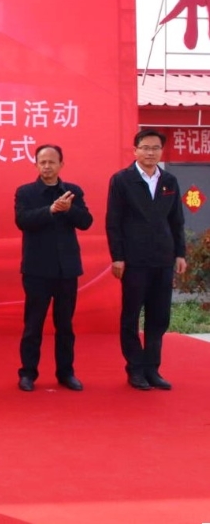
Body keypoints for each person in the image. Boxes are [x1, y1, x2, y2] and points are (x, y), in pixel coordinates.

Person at [105, 129, 187, 391]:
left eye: (155, 148)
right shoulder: (122, 180)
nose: (150, 152)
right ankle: (135, 368)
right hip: (134, 260)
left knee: (159, 316)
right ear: (135, 150)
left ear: (161, 151)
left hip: (163, 259)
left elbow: (177, 220)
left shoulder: (169, 181)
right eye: (145, 147)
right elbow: (113, 222)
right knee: (131, 316)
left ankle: (152, 369)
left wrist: (180, 253)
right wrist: (117, 257)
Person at [14, 144, 93, 392]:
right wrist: (50, 210)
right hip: (36, 270)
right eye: (42, 162)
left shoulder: (73, 192)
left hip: (66, 270)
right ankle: (28, 373)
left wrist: (69, 210)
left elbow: (86, 222)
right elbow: (22, 220)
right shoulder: (26, 192)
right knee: (33, 325)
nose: (47, 166)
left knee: (65, 325)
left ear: (61, 164)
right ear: (36, 165)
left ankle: (66, 373)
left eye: (51, 162)